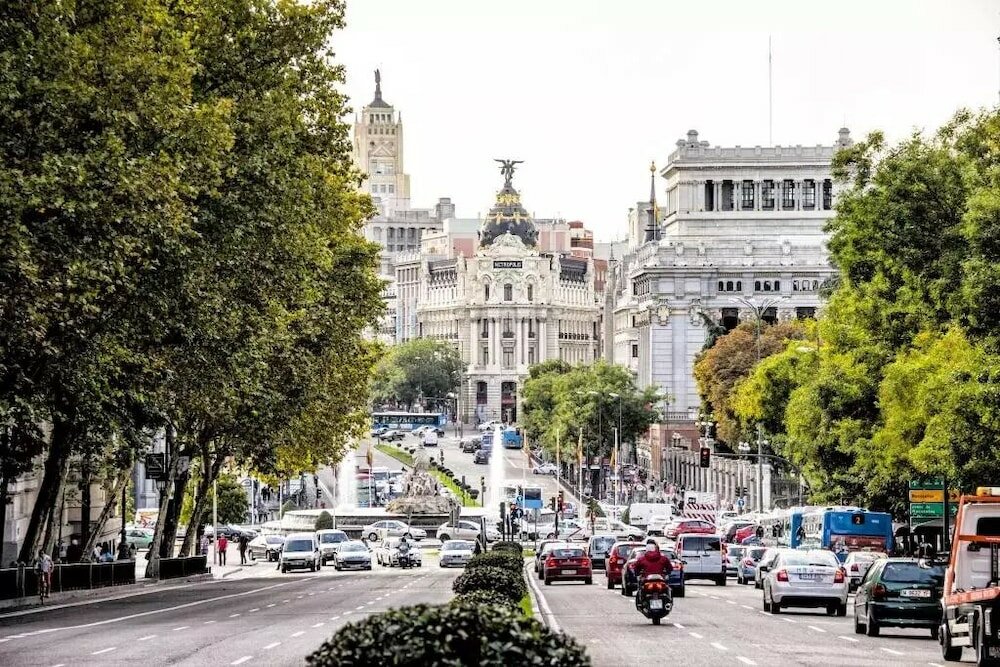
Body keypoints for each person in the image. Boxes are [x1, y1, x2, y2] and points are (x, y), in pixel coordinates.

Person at [633, 539, 673, 609]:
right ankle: (668, 601)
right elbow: (670, 568)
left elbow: (636, 569)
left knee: (640, 588)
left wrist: (637, 574)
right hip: (660, 580)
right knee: (667, 588)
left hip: (647, 581)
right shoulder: (663, 558)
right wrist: (666, 573)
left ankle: (641, 602)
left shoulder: (642, 559)